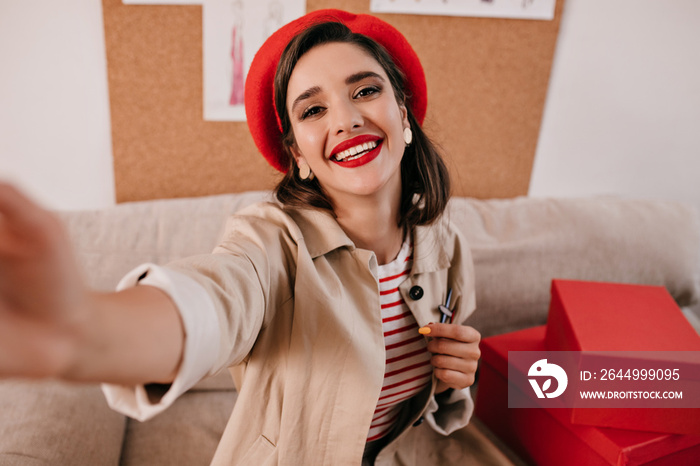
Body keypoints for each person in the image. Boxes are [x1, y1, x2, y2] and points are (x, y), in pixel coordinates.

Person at [0, 9, 480, 465]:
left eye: (364, 91)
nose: (345, 120)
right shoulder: (269, 240)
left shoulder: (446, 244)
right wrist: (81, 329)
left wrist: (450, 380)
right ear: (298, 156)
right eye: (313, 109)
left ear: (403, 114)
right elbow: (216, 298)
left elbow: (436, 396)